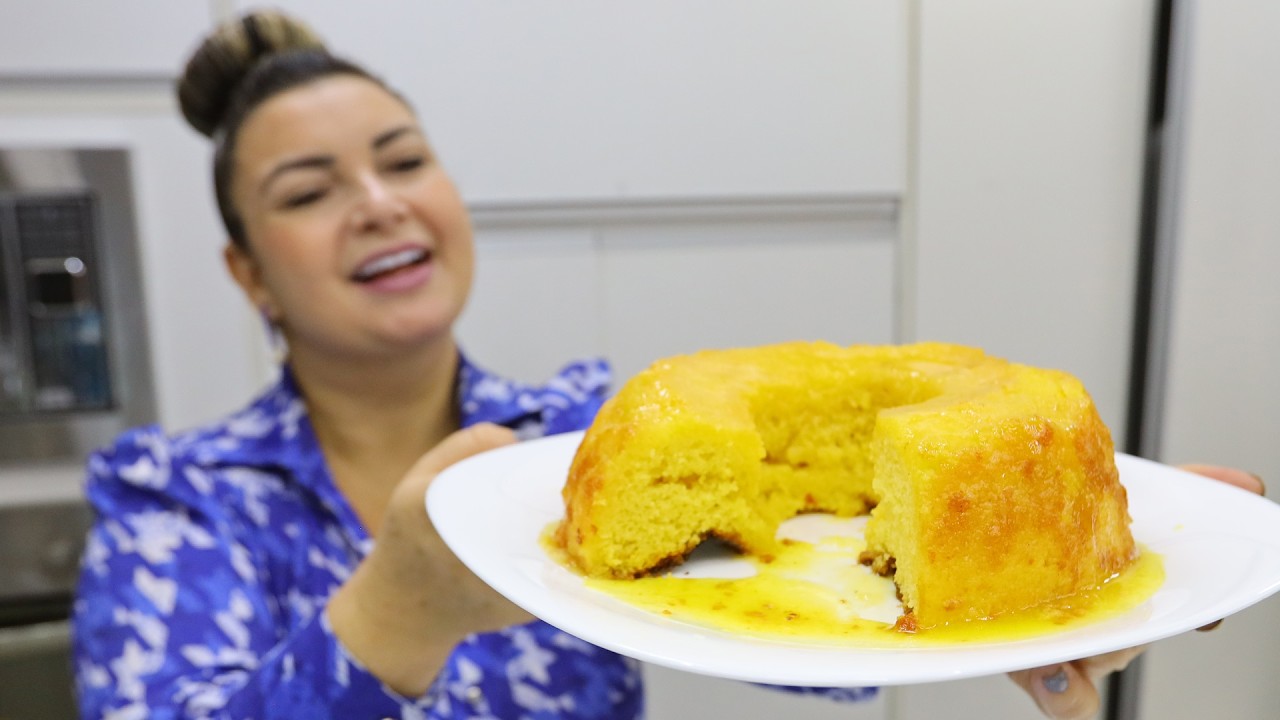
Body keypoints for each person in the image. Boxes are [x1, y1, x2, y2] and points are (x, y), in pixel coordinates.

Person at [71, 10, 1265, 720]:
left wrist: (1012, 601)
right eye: (310, 190)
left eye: (403, 161)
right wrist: (396, 608)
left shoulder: (568, 439)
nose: (379, 207)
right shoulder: (171, 496)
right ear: (247, 274)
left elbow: (784, 636)